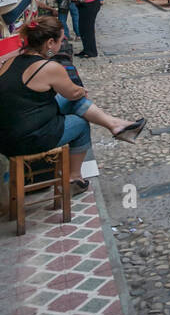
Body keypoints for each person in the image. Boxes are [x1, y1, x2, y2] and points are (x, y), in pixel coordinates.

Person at [0, 17, 145, 189]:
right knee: (81, 123)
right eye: (60, 41)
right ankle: (74, 178)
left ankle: (114, 125)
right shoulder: (48, 68)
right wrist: (81, 91)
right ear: (50, 42)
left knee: (65, 100)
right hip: (24, 139)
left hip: (6, 132)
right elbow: (74, 93)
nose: (61, 45)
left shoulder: (11, 61)